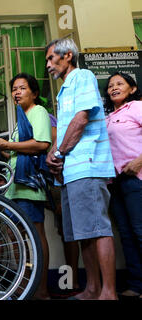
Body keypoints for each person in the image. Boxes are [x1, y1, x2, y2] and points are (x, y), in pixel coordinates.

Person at [45, 38, 117, 300]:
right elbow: (66, 128)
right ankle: (93, 288)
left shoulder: (82, 75)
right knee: (84, 233)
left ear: (68, 56)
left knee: (98, 228)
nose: (48, 65)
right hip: (72, 171)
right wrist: (55, 153)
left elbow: (82, 118)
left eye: (52, 58)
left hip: (87, 166)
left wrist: (61, 151)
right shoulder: (65, 89)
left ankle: (109, 292)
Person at [0, 73, 51, 299]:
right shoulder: (22, 117)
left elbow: (41, 144)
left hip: (29, 185)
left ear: (35, 93)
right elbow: (18, 151)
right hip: (16, 186)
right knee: (18, 235)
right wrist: (1, 149)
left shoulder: (38, 112)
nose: (16, 92)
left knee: (35, 235)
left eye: (22, 88)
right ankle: (24, 286)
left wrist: (8, 144)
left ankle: (41, 289)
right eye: (14, 89)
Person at [104, 72, 142, 300]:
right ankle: (137, 285)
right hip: (115, 182)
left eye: (119, 84)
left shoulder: (137, 107)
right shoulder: (109, 117)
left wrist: (139, 161)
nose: (114, 88)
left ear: (133, 88)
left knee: (140, 231)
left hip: (136, 178)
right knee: (126, 235)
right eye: (110, 86)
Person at [47, 112, 81, 299]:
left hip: (58, 179)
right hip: (48, 180)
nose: (17, 93)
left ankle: (72, 282)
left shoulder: (45, 116)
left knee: (69, 233)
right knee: (64, 233)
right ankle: (69, 282)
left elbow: (54, 145)